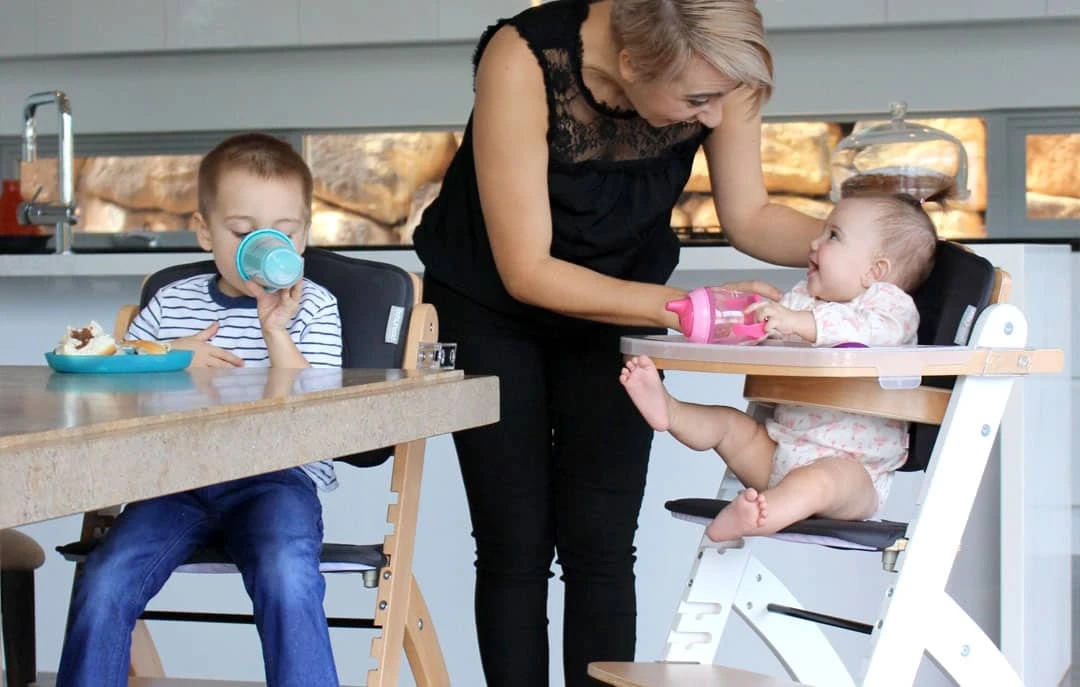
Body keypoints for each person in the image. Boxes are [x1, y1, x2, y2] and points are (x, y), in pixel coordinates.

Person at [410, 1, 823, 684]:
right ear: (632, 64)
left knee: (601, 542)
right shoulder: (520, 59)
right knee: (513, 544)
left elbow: (750, 216)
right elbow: (527, 270)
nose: (715, 117)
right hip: (489, 302)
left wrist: (864, 242)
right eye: (698, 101)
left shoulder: (719, 62)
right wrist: (684, 310)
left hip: (621, 301)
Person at [56, 133, 343, 687]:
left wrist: (276, 332)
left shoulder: (313, 306)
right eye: (242, 231)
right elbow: (116, 385)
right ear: (205, 231)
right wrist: (169, 355)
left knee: (287, 571)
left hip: (274, 478)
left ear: (304, 235)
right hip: (177, 479)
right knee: (106, 578)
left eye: (284, 233)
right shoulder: (172, 302)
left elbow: (321, 413)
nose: (264, 246)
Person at [621, 193, 939, 541]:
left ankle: (759, 516)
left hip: (853, 472)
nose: (814, 242)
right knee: (728, 425)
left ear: (875, 272)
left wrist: (800, 322)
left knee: (820, 481)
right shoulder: (802, 299)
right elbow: (766, 333)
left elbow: (872, 332)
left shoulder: (889, 307)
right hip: (779, 452)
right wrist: (743, 321)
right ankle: (670, 411)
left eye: (833, 236)